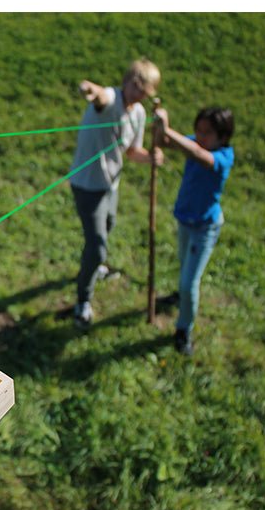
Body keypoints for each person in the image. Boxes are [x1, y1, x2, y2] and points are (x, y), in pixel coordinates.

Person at [69, 58, 164, 328]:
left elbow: (132, 151)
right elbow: (101, 97)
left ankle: (94, 267)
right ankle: (82, 302)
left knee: (108, 226)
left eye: (144, 91)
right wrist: (91, 90)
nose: (138, 94)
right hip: (88, 186)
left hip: (111, 185)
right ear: (126, 82)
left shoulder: (139, 113)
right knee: (97, 247)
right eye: (135, 87)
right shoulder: (111, 99)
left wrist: (151, 157)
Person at [154, 105, 235, 355]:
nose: (200, 136)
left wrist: (167, 129)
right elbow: (164, 142)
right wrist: (160, 127)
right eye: (197, 130)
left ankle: (183, 329)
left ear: (223, 136)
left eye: (207, 132)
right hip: (185, 220)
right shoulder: (195, 142)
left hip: (204, 227)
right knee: (183, 265)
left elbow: (199, 155)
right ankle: (181, 297)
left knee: (190, 282)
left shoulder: (224, 156)